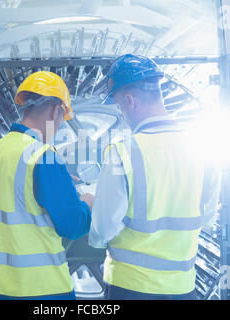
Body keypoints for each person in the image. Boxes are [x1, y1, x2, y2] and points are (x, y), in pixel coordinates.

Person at [89, 54, 221, 300]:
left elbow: (103, 230)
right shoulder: (205, 149)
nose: (121, 111)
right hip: (183, 288)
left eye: (118, 105)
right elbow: (207, 219)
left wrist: (93, 213)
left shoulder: (122, 153)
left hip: (130, 287)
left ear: (129, 100)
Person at [0, 71, 94, 300]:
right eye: (63, 118)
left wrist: (57, 184)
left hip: (1, 287)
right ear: (56, 110)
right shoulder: (43, 155)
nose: (60, 125)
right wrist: (87, 202)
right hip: (44, 290)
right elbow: (73, 225)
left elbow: (17, 199)